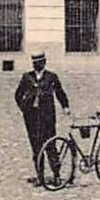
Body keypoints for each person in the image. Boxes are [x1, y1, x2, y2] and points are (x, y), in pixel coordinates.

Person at [14, 52, 69, 184]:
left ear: (44, 62)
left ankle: (56, 175)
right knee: (36, 147)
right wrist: (24, 109)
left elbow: (59, 92)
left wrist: (65, 106)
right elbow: (17, 94)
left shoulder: (51, 77)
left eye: (39, 62)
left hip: (47, 117)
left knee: (50, 145)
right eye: (35, 63)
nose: (37, 65)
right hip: (32, 118)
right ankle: (40, 176)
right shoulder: (27, 77)